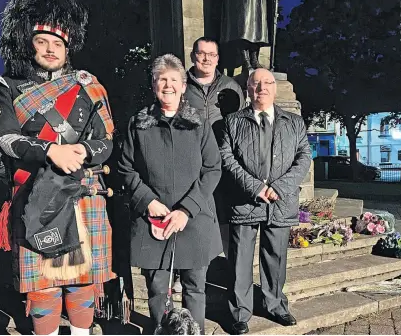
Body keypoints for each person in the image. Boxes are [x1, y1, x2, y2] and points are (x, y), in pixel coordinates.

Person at [0, 0, 116, 334]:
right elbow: (7, 139)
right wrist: (52, 151)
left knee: (82, 281)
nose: (49, 49)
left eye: (57, 43)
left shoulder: (88, 85)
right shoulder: (7, 86)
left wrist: (86, 151)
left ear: (68, 46)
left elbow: (106, 141)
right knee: (42, 285)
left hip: (83, 194)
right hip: (34, 195)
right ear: (28, 43)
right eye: (41, 41)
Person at [117, 54, 223, 334]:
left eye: (174, 79)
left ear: (183, 86)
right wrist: (148, 201)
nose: (168, 85)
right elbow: (125, 168)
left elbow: (213, 169)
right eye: (162, 79)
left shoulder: (199, 123)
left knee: (195, 288)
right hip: (153, 221)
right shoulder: (137, 124)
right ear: (153, 85)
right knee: (157, 289)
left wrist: (186, 209)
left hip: (194, 219)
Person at [219, 68, 312, 334]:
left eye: (267, 82)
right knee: (240, 261)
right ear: (248, 89)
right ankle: (239, 312)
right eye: (256, 83)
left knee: (275, 257)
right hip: (244, 201)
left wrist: (280, 187)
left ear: (275, 87)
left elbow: (304, 157)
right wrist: (255, 187)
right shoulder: (232, 122)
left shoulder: (294, 122)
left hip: (279, 202)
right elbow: (227, 158)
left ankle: (275, 306)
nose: (262, 87)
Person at [184, 36, 246, 267]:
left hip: (224, 161)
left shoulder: (231, 86)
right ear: (193, 56)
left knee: (226, 215)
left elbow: (241, 124)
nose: (206, 59)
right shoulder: (181, 86)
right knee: (194, 213)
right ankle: (191, 268)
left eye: (211, 54)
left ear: (218, 58)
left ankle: (231, 267)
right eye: (201, 53)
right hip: (192, 162)